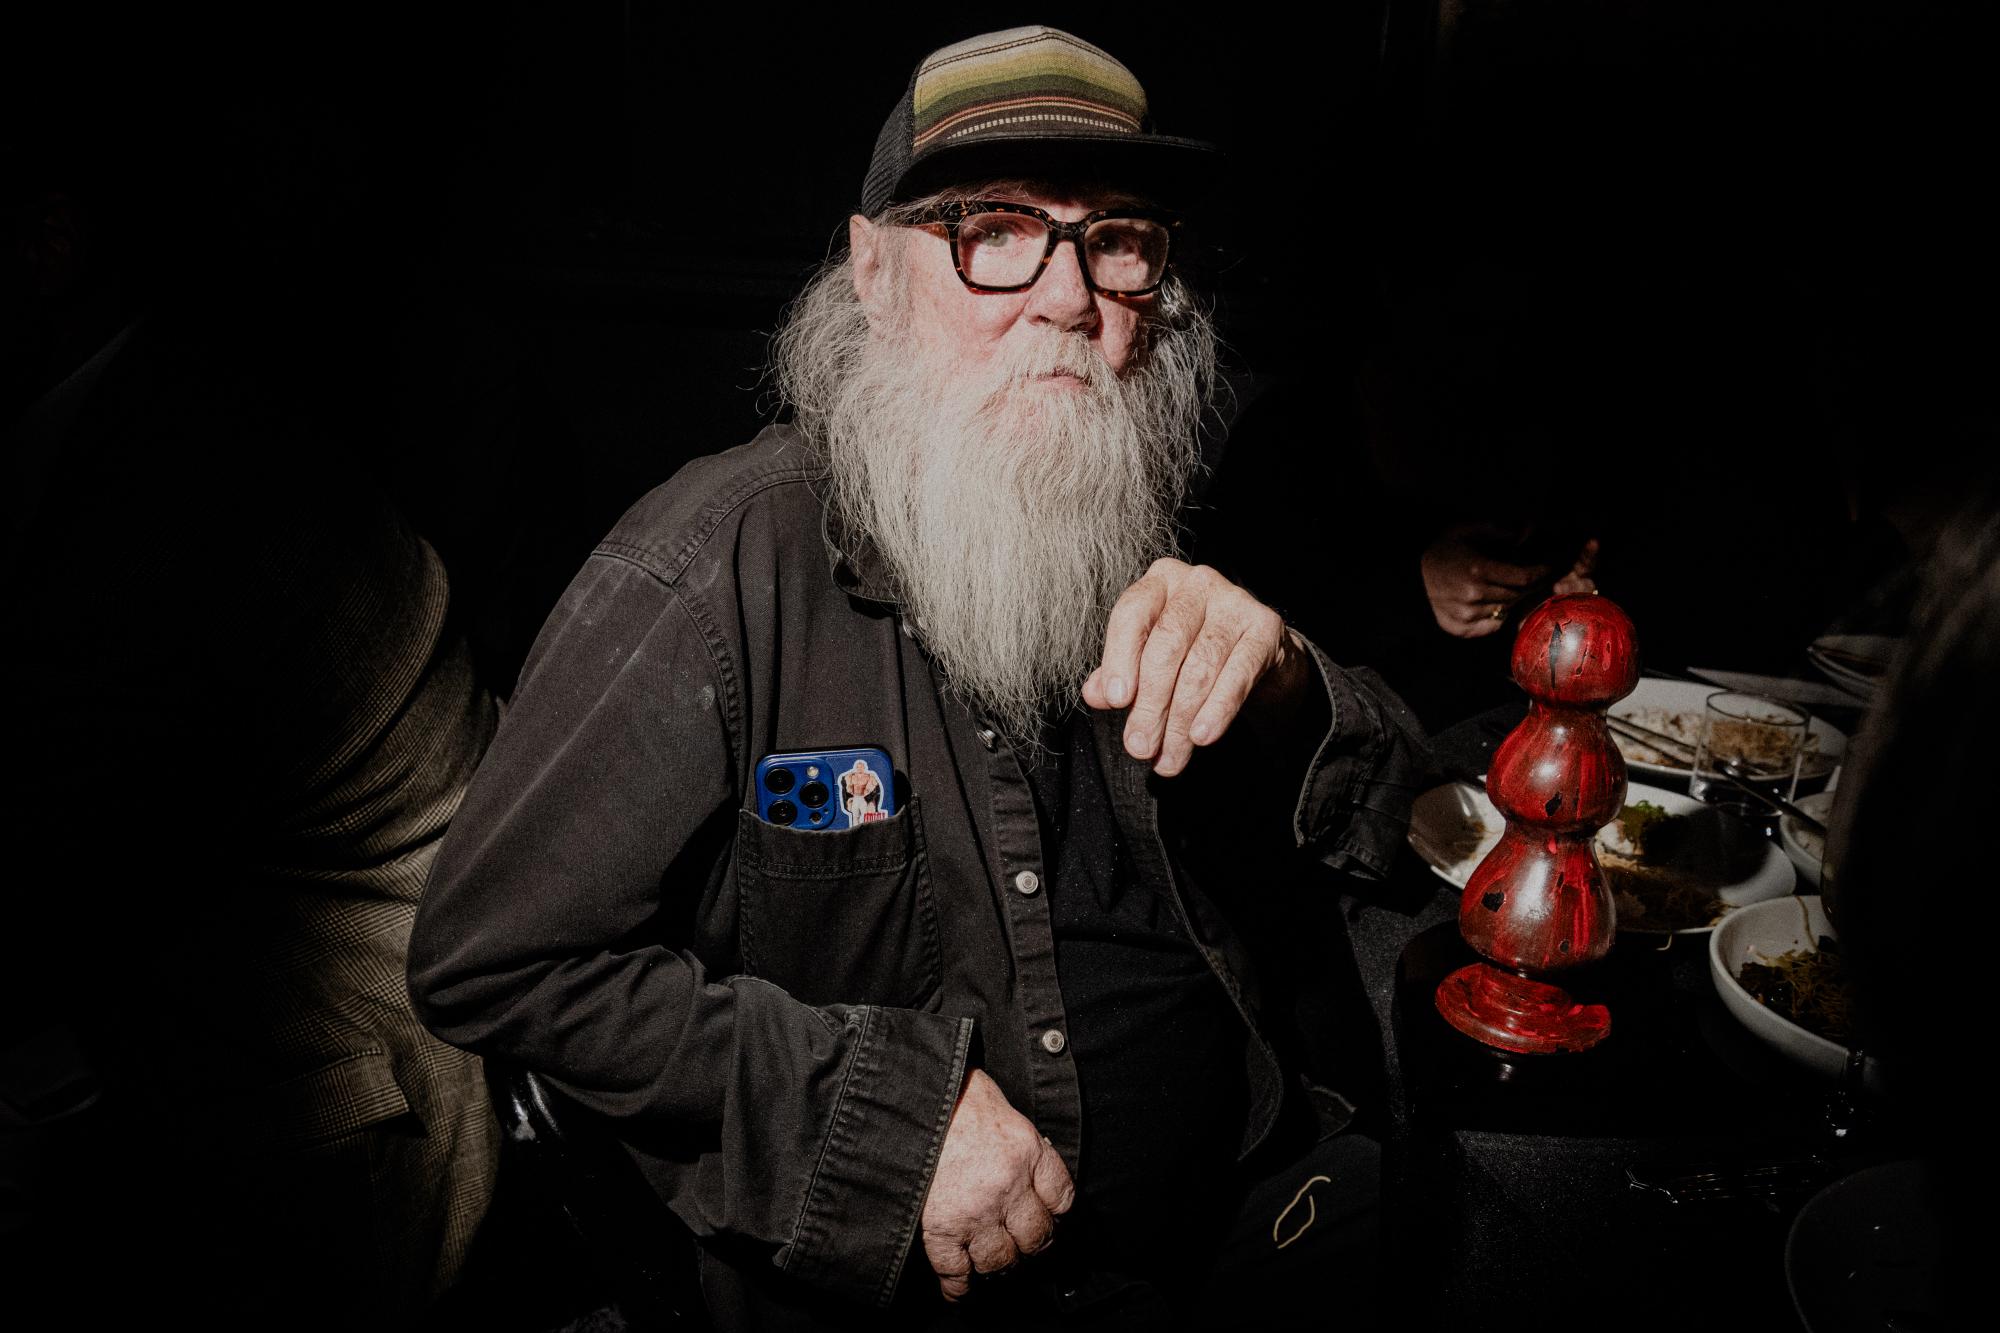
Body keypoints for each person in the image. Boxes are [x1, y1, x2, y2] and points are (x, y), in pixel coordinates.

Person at [409, 25, 1423, 1329]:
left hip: (1256, 1199)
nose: (1069, 297)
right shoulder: (712, 568)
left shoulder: (1140, 511)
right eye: (994, 229)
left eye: (1116, 239)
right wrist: (882, 1116)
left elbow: (1407, 815)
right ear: (874, 271)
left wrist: (1288, 687)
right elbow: (488, 959)